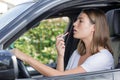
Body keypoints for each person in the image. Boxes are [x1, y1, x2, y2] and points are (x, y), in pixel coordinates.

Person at [12, 8, 114, 77]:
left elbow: (61, 77)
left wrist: (26, 57)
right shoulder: (77, 53)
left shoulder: (103, 57)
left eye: (80, 21)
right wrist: (61, 56)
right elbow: (62, 78)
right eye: (76, 20)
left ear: (94, 28)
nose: (74, 24)